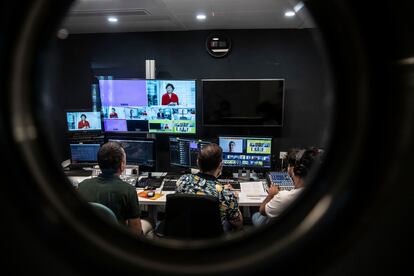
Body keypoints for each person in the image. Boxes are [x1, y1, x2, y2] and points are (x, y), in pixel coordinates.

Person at [77, 142, 153, 237]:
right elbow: (136, 232)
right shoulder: (128, 190)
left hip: (92, 239)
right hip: (117, 242)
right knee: (149, 222)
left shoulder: (82, 185)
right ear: (122, 165)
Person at [174, 144, 243, 231]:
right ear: (220, 165)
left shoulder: (182, 180)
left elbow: (202, 187)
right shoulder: (226, 195)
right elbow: (238, 223)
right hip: (212, 240)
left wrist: (221, 188)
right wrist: (234, 200)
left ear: (197, 162)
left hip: (184, 233)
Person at [251, 148, 322, 226]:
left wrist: (271, 195)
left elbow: (262, 211)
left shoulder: (284, 197)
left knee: (256, 216)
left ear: (292, 169)